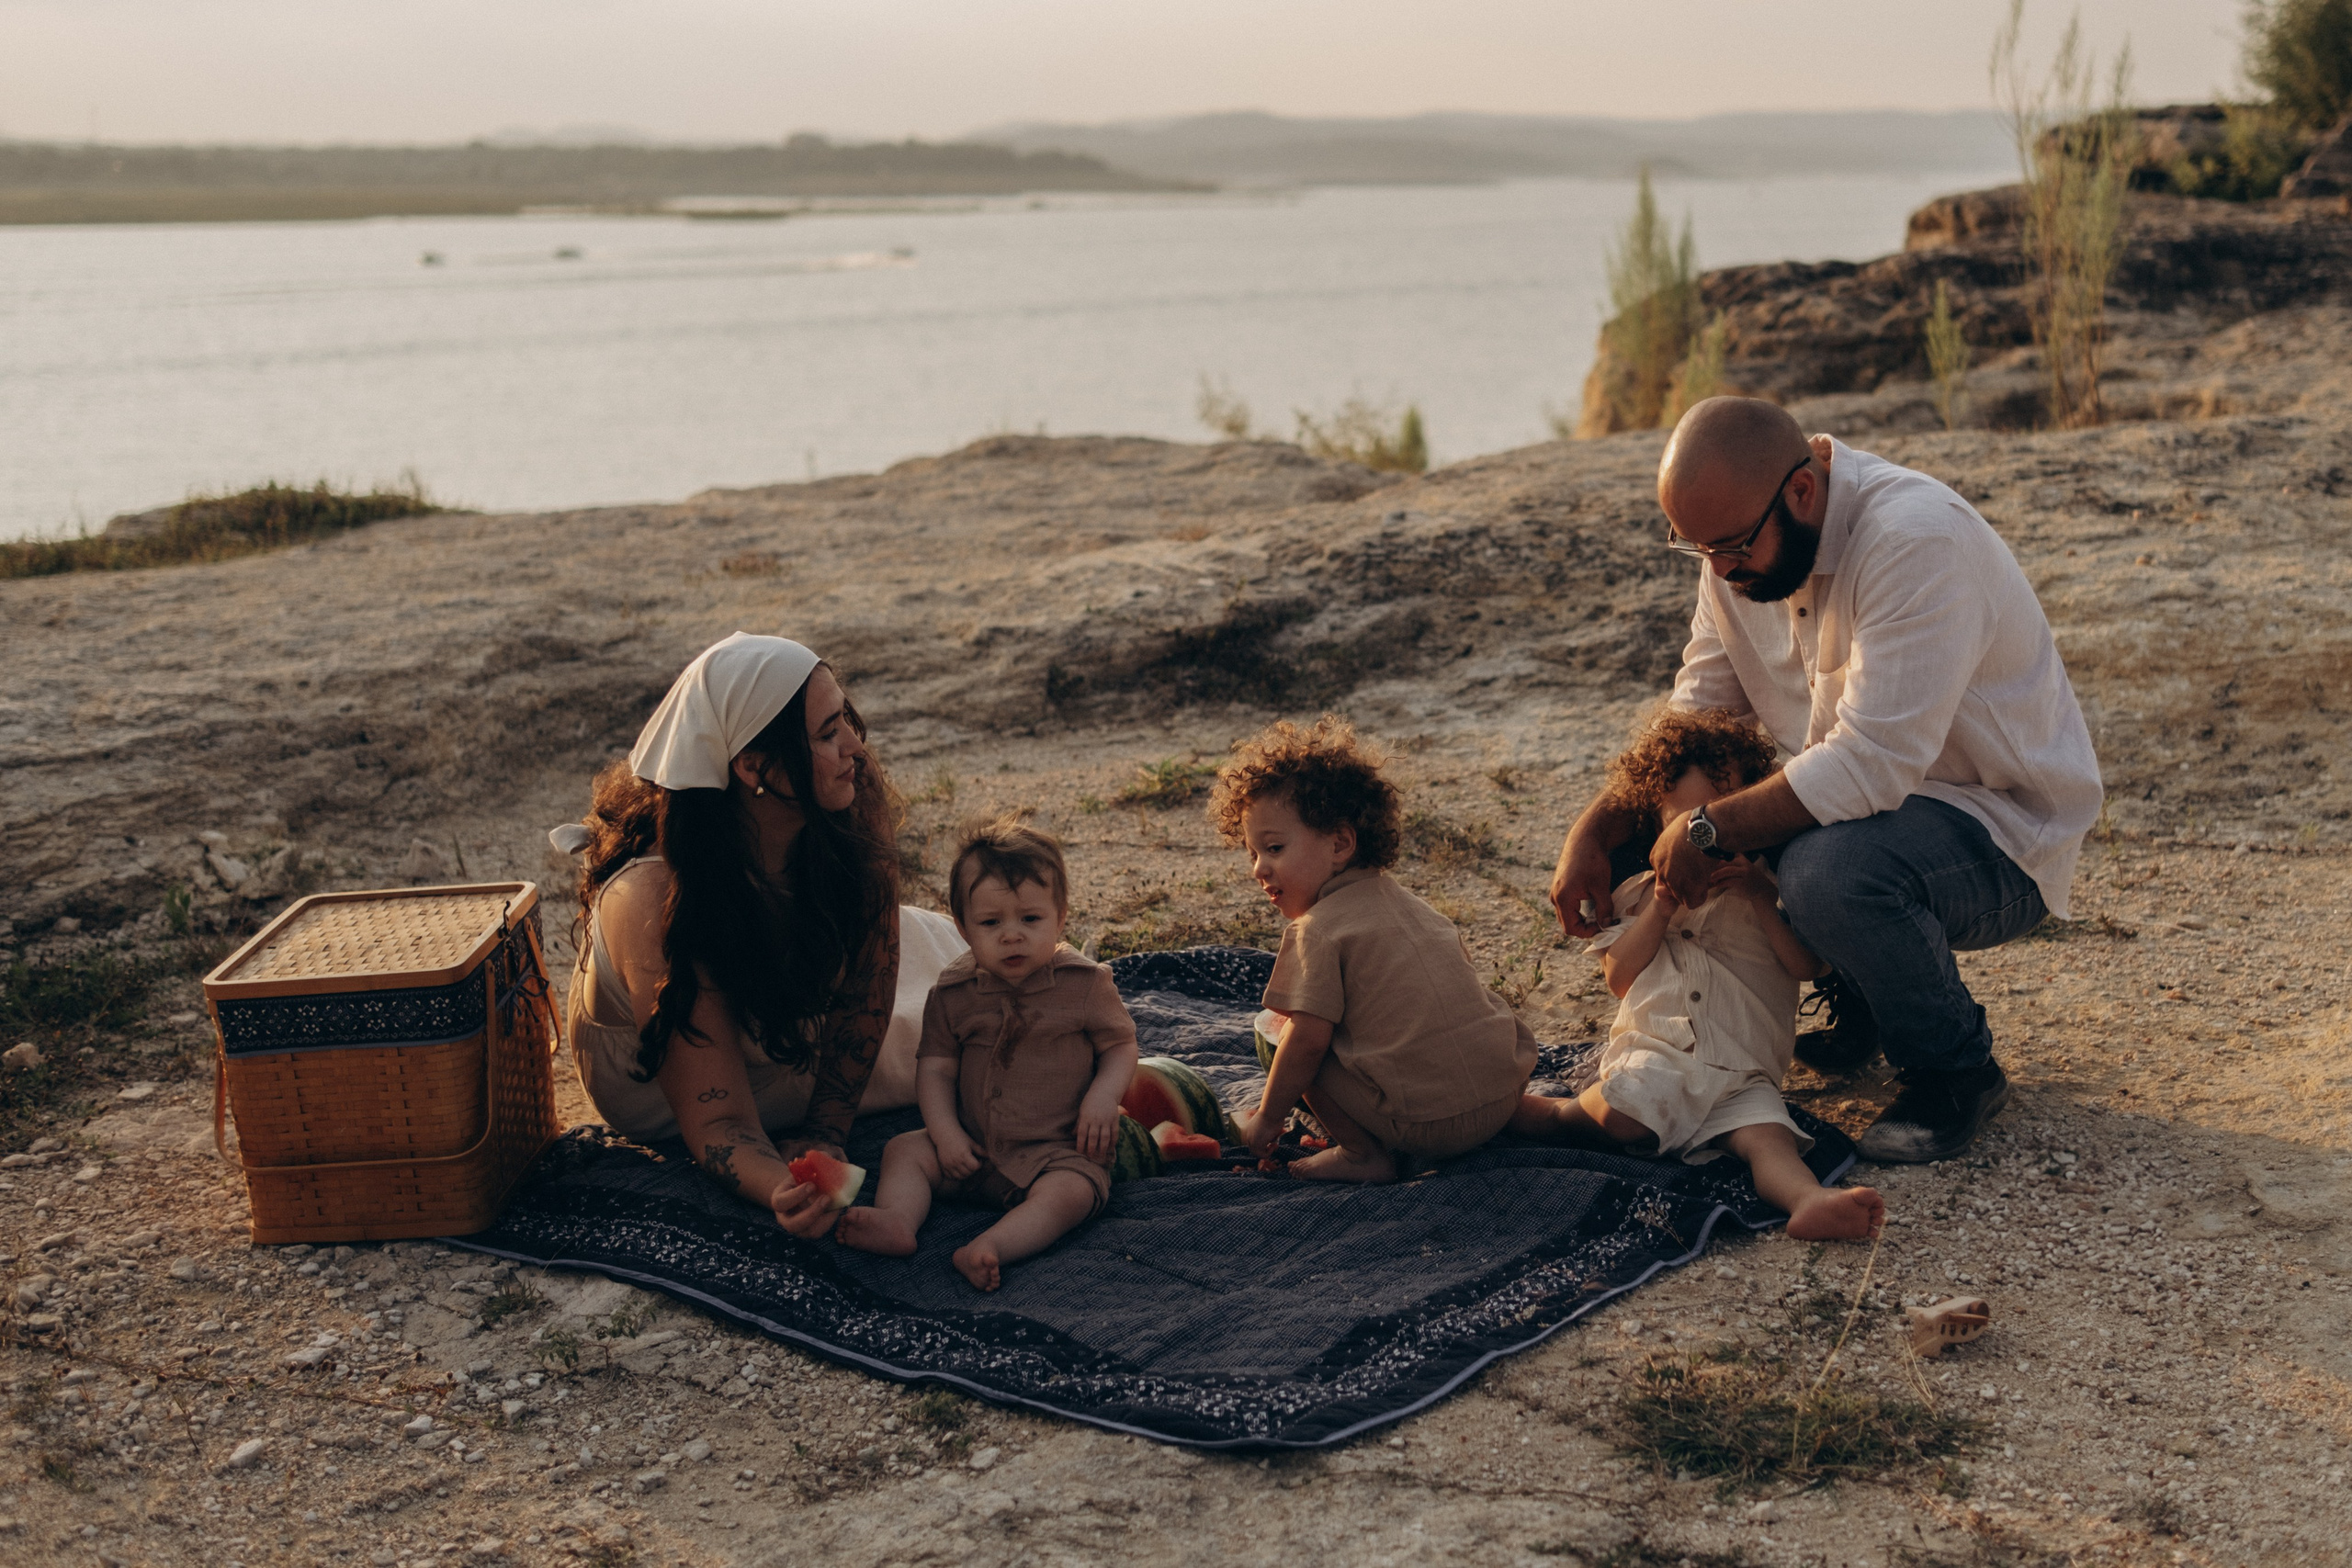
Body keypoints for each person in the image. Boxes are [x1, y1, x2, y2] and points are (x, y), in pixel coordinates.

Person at [1548, 398, 2103, 1164]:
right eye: (1696, 548)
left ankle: (1954, 1067)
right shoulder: (1735, 554)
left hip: (1998, 831)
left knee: (1825, 873)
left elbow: (1871, 762)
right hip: (1863, 803)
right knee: (1654, 821)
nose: (1717, 570)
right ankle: (1864, 988)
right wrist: (1597, 829)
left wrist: (1709, 830)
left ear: (1802, 493)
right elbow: (1698, 718)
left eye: (1732, 546)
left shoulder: (1915, 541)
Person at [554, 632, 967, 1240]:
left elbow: (874, 972)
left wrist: (828, 1129)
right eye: (828, 733)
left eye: (845, 718)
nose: (855, 746)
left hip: (804, 1010)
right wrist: (786, 1187)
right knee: (952, 1048)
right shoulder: (649, 901)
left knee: (996, 995)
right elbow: (720, 1121)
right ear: (753, 765)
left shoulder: (852, 786)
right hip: (671, 1094)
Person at [1513, 708, 1883, 1240]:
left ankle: (1810, 1200)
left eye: (1707, 826)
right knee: (1623, 1114)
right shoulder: (1640, 895)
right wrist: (1660, 911)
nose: (1697, 845)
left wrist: (1761, 897)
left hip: (1742, 1071)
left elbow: (1808, 965)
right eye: (1680, 826)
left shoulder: (1775, 889)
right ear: (1658, 829)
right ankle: (1544, 1116)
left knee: (1769, 1139)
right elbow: (1619, 978)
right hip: (1660, 1054)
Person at [1211, 717, 1539, 1183]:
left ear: (1341, 843)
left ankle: (1362, 1154)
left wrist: (1267, 1119)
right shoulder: (1414, 906)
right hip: (1505, 1097)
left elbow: (1306, 1045)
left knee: (1295, 1041)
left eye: (1275, 848)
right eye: (1252, 854)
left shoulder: (1316, 930)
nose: (1259, 869)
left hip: (1430, 1129)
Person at [837, 820, 1138, 1291]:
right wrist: (947, 1134)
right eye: (991, 923)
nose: (1011, 936)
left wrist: (1103, 1097)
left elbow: (1120, 1045)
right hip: (972, 1152)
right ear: (962, 927)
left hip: (1055, 1152)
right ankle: (897, 1219)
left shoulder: (1085, 985)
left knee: (1075, 1192)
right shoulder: (953, 993)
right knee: (905, 1149)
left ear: (1060, 918)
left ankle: (991, 1246)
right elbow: (935, 1070)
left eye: (1030, 920)